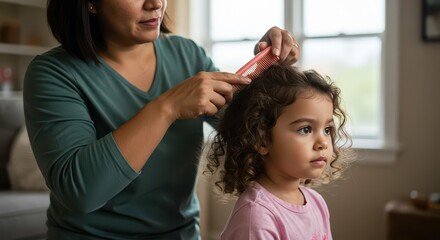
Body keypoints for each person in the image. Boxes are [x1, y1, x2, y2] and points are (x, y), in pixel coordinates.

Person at [23, 0, 300, 239]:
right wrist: (168, 107)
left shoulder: (188, 55)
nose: (155, 3)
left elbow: (248, 131)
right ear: (90, 3)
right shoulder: (53, 73)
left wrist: (267, 69)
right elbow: (80, 192)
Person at [205, 65, 353, 240]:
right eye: (305, 129)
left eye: (327, 129)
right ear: (262, 140)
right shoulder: (257, 217)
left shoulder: (316, 203)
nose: (323, 142)